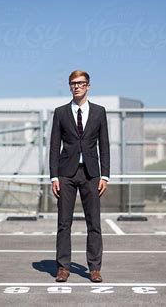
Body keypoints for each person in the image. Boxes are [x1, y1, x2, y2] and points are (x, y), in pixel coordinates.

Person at [49, 70, 110, 283]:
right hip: (66, 174)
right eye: (73, 83)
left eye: (81, 83)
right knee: (64, 223)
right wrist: (54, 176)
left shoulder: (99, 112)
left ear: (88, 86)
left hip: (91, 174)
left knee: (94, 222)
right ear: (69, 86)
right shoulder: (60, 113)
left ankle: (94, 268)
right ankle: (63, 267)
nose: (77, 86)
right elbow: (54, 145)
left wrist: (106, 176)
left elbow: (104, 145)